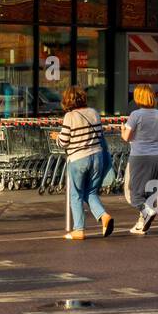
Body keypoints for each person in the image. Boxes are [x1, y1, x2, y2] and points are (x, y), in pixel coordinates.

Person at [54, 86, 114, 240]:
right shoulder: (94, 113)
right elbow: (100, 135)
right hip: (97, 157)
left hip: (79, 158)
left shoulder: (70, 116)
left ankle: (79, 230)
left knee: (76, 194)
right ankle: (104, 216)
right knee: (91, 192)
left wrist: (56, 137)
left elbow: (64, 141)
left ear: (68, 100)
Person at [121, 84, 158, 234]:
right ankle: (141, 223)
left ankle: (146, 211)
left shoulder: (136, 115)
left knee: (133, 193)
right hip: (156, 156)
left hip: (139, 157)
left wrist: (122, 130)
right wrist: (157, 150)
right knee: (149, 192)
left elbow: (126, 137)